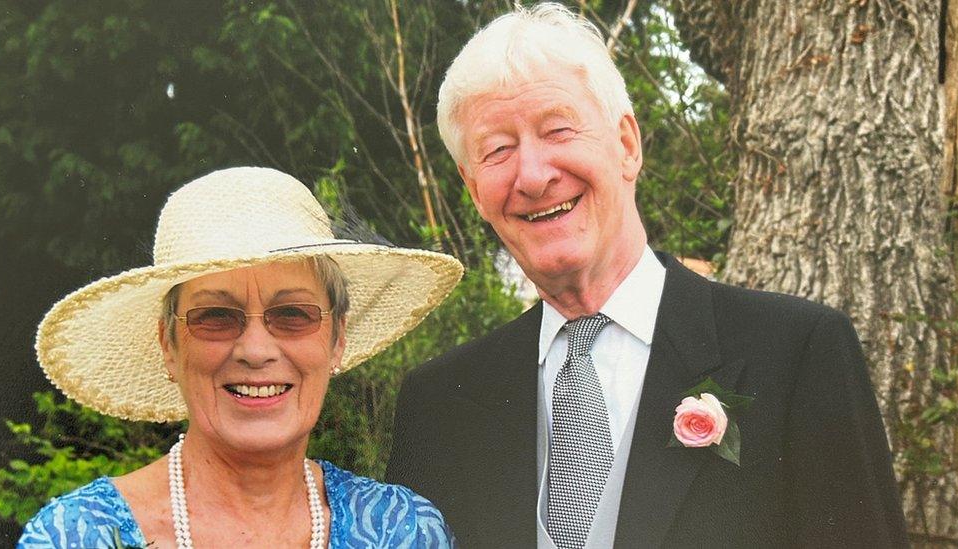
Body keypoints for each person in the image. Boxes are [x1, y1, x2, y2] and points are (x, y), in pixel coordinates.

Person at [386, 4, 909, 548]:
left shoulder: (797, 353)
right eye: (498, 150)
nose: (534, 176)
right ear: (474, 192)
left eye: (558, 130)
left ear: (627, 146)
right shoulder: (438, 404)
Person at [20, 167, 462, 548]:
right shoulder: (74, 536)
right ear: (169, 345)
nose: (255, 350)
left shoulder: (401, 532)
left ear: (337, 338)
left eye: (292, 314)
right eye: (216, 316)